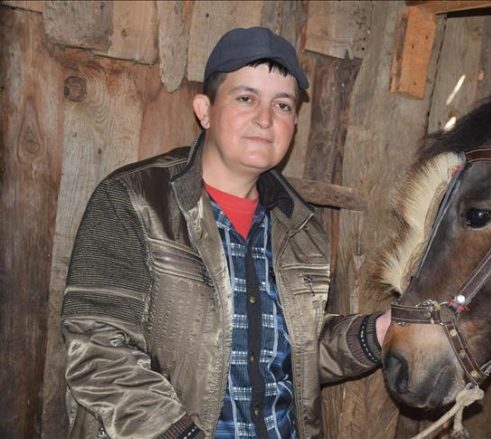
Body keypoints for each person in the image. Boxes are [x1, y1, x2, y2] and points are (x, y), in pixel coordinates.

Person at [61, 26, 390, 438]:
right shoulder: (133, 200)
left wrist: (378, 332)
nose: (265, 119)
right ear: (204, 109)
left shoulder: (302, 229)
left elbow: (295, 352)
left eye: (283, 105)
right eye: (246, 98)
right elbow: (98, 348)